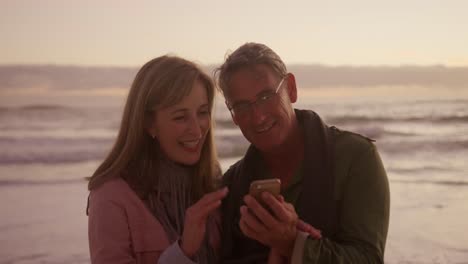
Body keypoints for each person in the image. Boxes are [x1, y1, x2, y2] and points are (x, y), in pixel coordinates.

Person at [215, 42, 390, 263]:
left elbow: (368, 259)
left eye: (267, 96)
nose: (258, 116)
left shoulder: (356, 158)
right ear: (233, 115)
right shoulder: (232, 185)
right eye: (241, 106)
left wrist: (292, 243)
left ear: (291, 88)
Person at [87, 55, 228, 264]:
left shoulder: (211, 184)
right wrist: (183, 251)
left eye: (202, 113)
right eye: (180, 117)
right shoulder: (112, 196)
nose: (197, 129)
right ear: (148, 123)